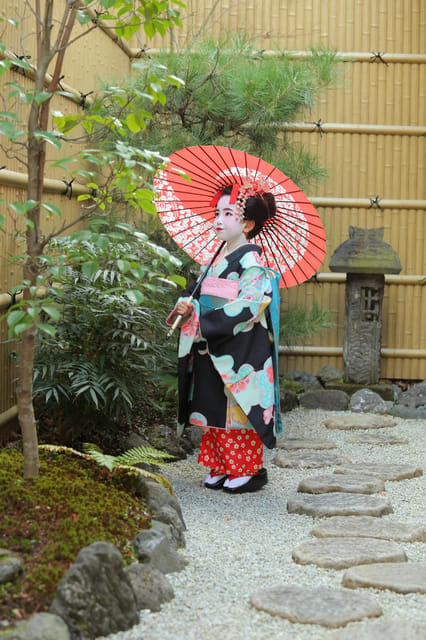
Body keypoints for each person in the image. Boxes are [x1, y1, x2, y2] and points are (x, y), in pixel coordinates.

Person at [167, 180, 282, 494]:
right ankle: (219, 464)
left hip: (240, 349)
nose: (218, 220)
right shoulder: (213, 263)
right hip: (211, 345)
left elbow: (250, 304)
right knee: (211, 405)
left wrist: (204, 319)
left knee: (237, 410)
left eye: (228, 213)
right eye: (217, 213)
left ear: (246, 223)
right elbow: (199, 296)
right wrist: (188, 306)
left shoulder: (252, 262)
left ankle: (247, 468)